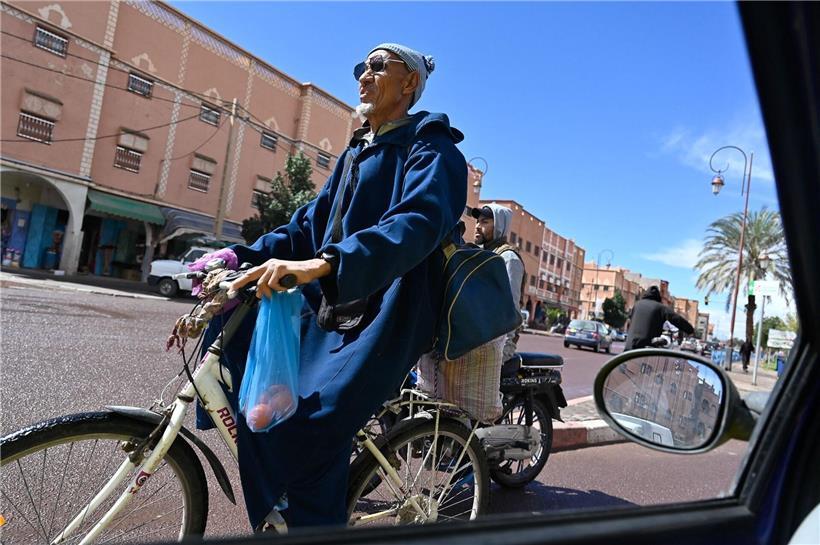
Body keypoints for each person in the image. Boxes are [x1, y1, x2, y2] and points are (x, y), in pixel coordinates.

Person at [198, 43, 467, 529]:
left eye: (378, 66)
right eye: (361, 66)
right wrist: (241, 255)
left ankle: (314, 526)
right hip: (335, 297)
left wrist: (323, 265)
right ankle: (286, 512)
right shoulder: (357, 149)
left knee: (313, 423)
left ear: (410, 84)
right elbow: (309, 225)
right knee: (251, 384)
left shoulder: (431, 146)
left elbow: (417, 224)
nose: (364, 74)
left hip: (392, 306)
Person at [471, 203, 526, 362]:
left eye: (485, 222)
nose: (477, 226)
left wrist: (505, 350)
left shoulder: (508, 258)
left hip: (497, 344)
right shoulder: (482, 255)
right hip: (478, 339)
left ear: (499, 226)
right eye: (477, 221)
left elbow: (511, 307)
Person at [624, 285, 694, 351]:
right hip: (645, 350)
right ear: (658, 297)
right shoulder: (660, 307)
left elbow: (629, 320)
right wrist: (689, 330)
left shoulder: (637, 305)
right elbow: (676, 319)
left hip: (629, 348)